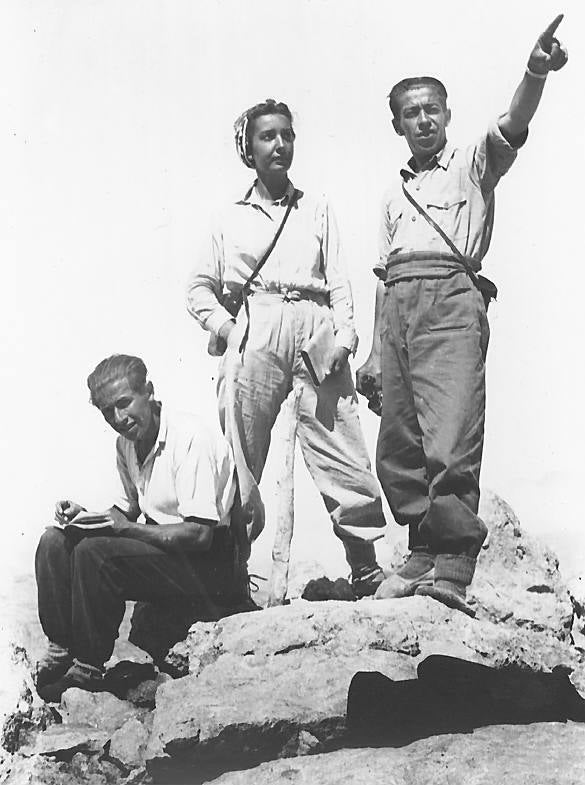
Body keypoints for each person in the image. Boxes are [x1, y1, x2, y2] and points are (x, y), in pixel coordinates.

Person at [356, 17, 568, 615]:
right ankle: (421, 549)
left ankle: (452, 560)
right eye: (410, 113)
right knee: (399, 441)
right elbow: (382, 272)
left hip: (450, 299)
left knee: (449, 433)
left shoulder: (473, 164)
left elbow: (515, 123)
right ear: (396, 124)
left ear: (446, 116)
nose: (422, 121)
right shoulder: (393, 193)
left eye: (432, 110)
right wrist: (375, 349)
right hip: (397, 305)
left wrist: (535, 71)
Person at [187, 99, 387, 598]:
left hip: (316, 323)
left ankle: (364, 564)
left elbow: (339, 282)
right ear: (248, 149)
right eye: (267, 137)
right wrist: (234, 332)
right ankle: (232, 569)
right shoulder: (228, 217)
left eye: (287, 135)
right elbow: (197, 289)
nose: (279, 145)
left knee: (339, 440)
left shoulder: (316, 208)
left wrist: (345, 338)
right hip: (258, 323)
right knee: (241, 451)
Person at [35, 354, 240, 701]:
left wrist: (123, 530)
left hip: (207, 565)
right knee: (54, 541)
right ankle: (61, 649)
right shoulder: (127, 443)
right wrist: (83, 517)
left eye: (124, 403)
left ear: (149, 391)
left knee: (95, 553)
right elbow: (124, 510)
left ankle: (88, 665)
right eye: (107, 412)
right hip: (164, 549)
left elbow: (200, 535)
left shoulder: (191, 437)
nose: (119, 419)